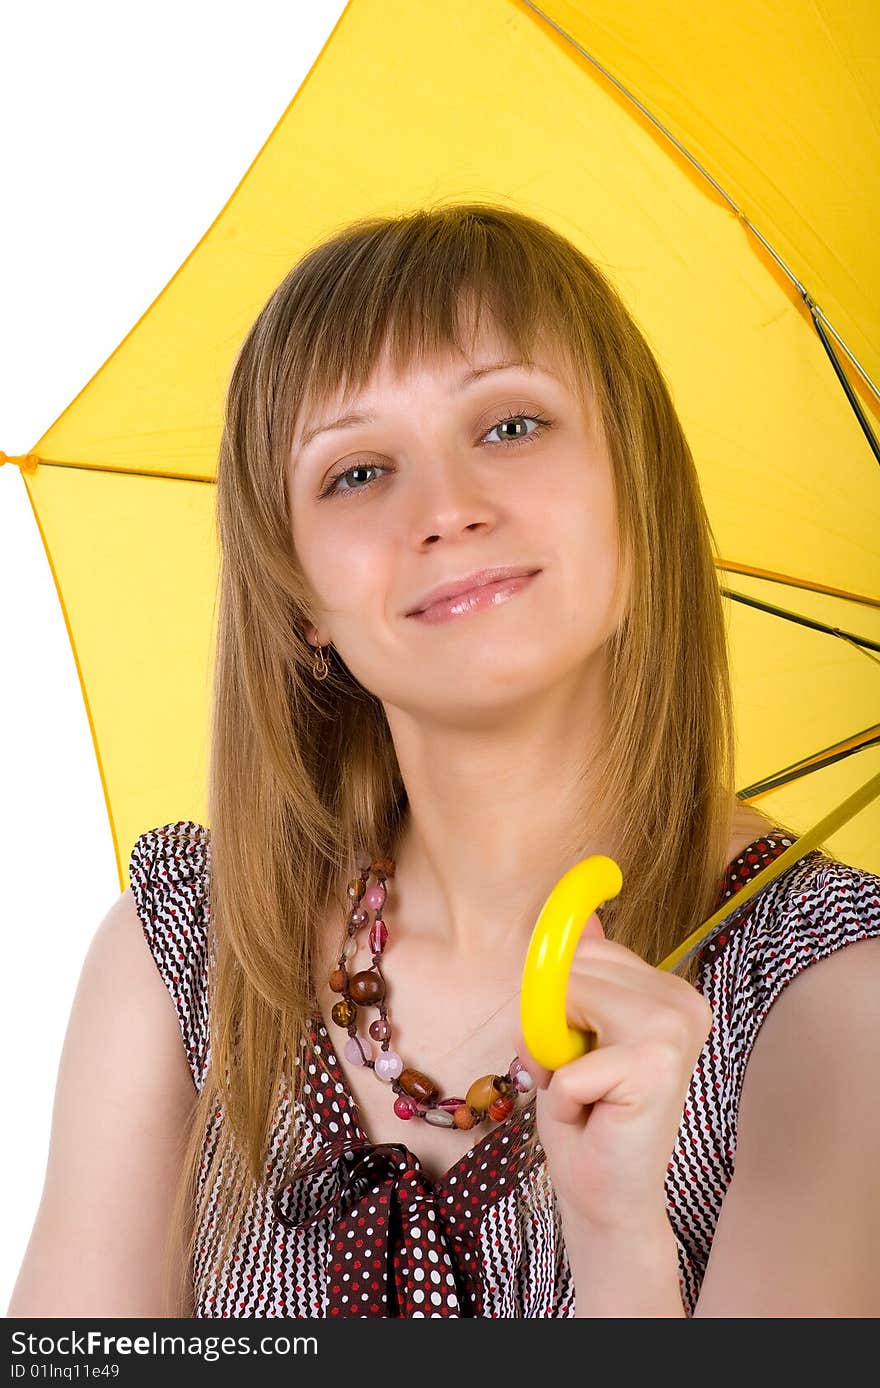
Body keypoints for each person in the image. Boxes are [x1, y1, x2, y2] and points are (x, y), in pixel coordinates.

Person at [8, 204, 880, 1320]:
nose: (448, 510)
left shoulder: (829, 1005)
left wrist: (616, 1241)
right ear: (298, 599)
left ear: (636, 490)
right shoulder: (183, 964)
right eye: (358, 472)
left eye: (511, 424)